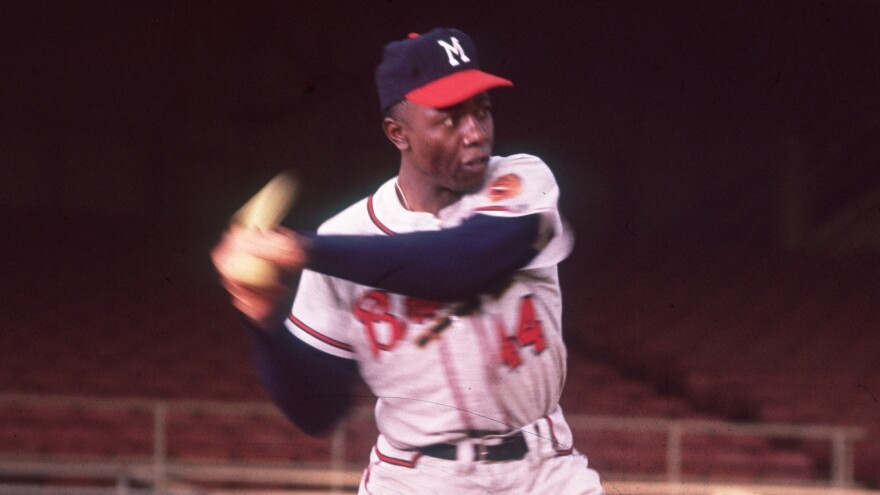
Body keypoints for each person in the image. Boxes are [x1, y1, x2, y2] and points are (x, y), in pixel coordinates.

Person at [212, 27, 605, 494]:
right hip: (417, 477)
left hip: (542, 469)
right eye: (450, 118)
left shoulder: (521, 181)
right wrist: (265, 320)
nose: (475, 133)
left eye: (482, 111)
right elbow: (317, 412)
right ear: (399, 133)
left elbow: (461, 265)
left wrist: (304, 251)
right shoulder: (345, 238)